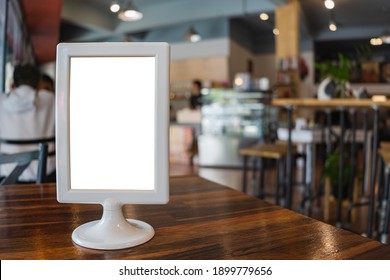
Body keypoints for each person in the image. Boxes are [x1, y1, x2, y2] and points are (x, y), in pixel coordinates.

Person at [0, 64, 56, 182]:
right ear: (39, 83)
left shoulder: (2, 101)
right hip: (46, 173)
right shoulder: (50, 100)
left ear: (13, 84)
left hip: (6, 176)